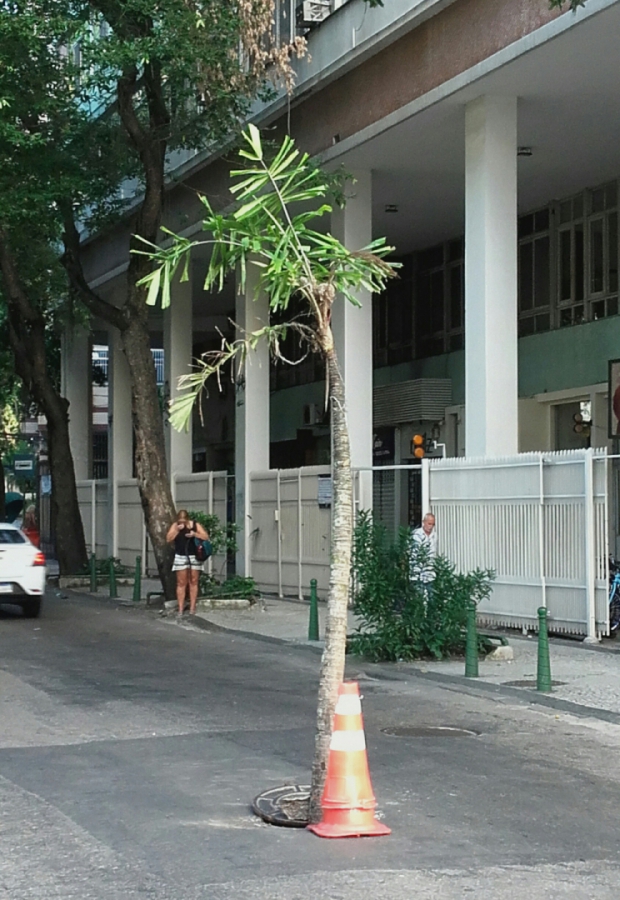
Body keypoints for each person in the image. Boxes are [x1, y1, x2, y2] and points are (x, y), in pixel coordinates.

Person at [166, 509, 209, 617]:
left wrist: (195, 534)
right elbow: (168, 539)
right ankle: (180, 608)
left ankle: (192, 608)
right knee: (181, 583)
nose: (182, 523)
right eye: (180, 521)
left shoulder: (194, 525)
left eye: (184, 521)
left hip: (194, 556)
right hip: (181, 556)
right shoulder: (175, 526)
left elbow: (205, 537)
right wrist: (176, 530)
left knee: (193, 581)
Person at [410, 512, 437, 587]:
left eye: (433, 524)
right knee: (419, 596)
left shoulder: (434, 535)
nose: (431, 526)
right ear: (424, 522)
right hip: (418, 573)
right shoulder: (416, 535)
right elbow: (415, 553)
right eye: (429, 524)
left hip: (430, 573)